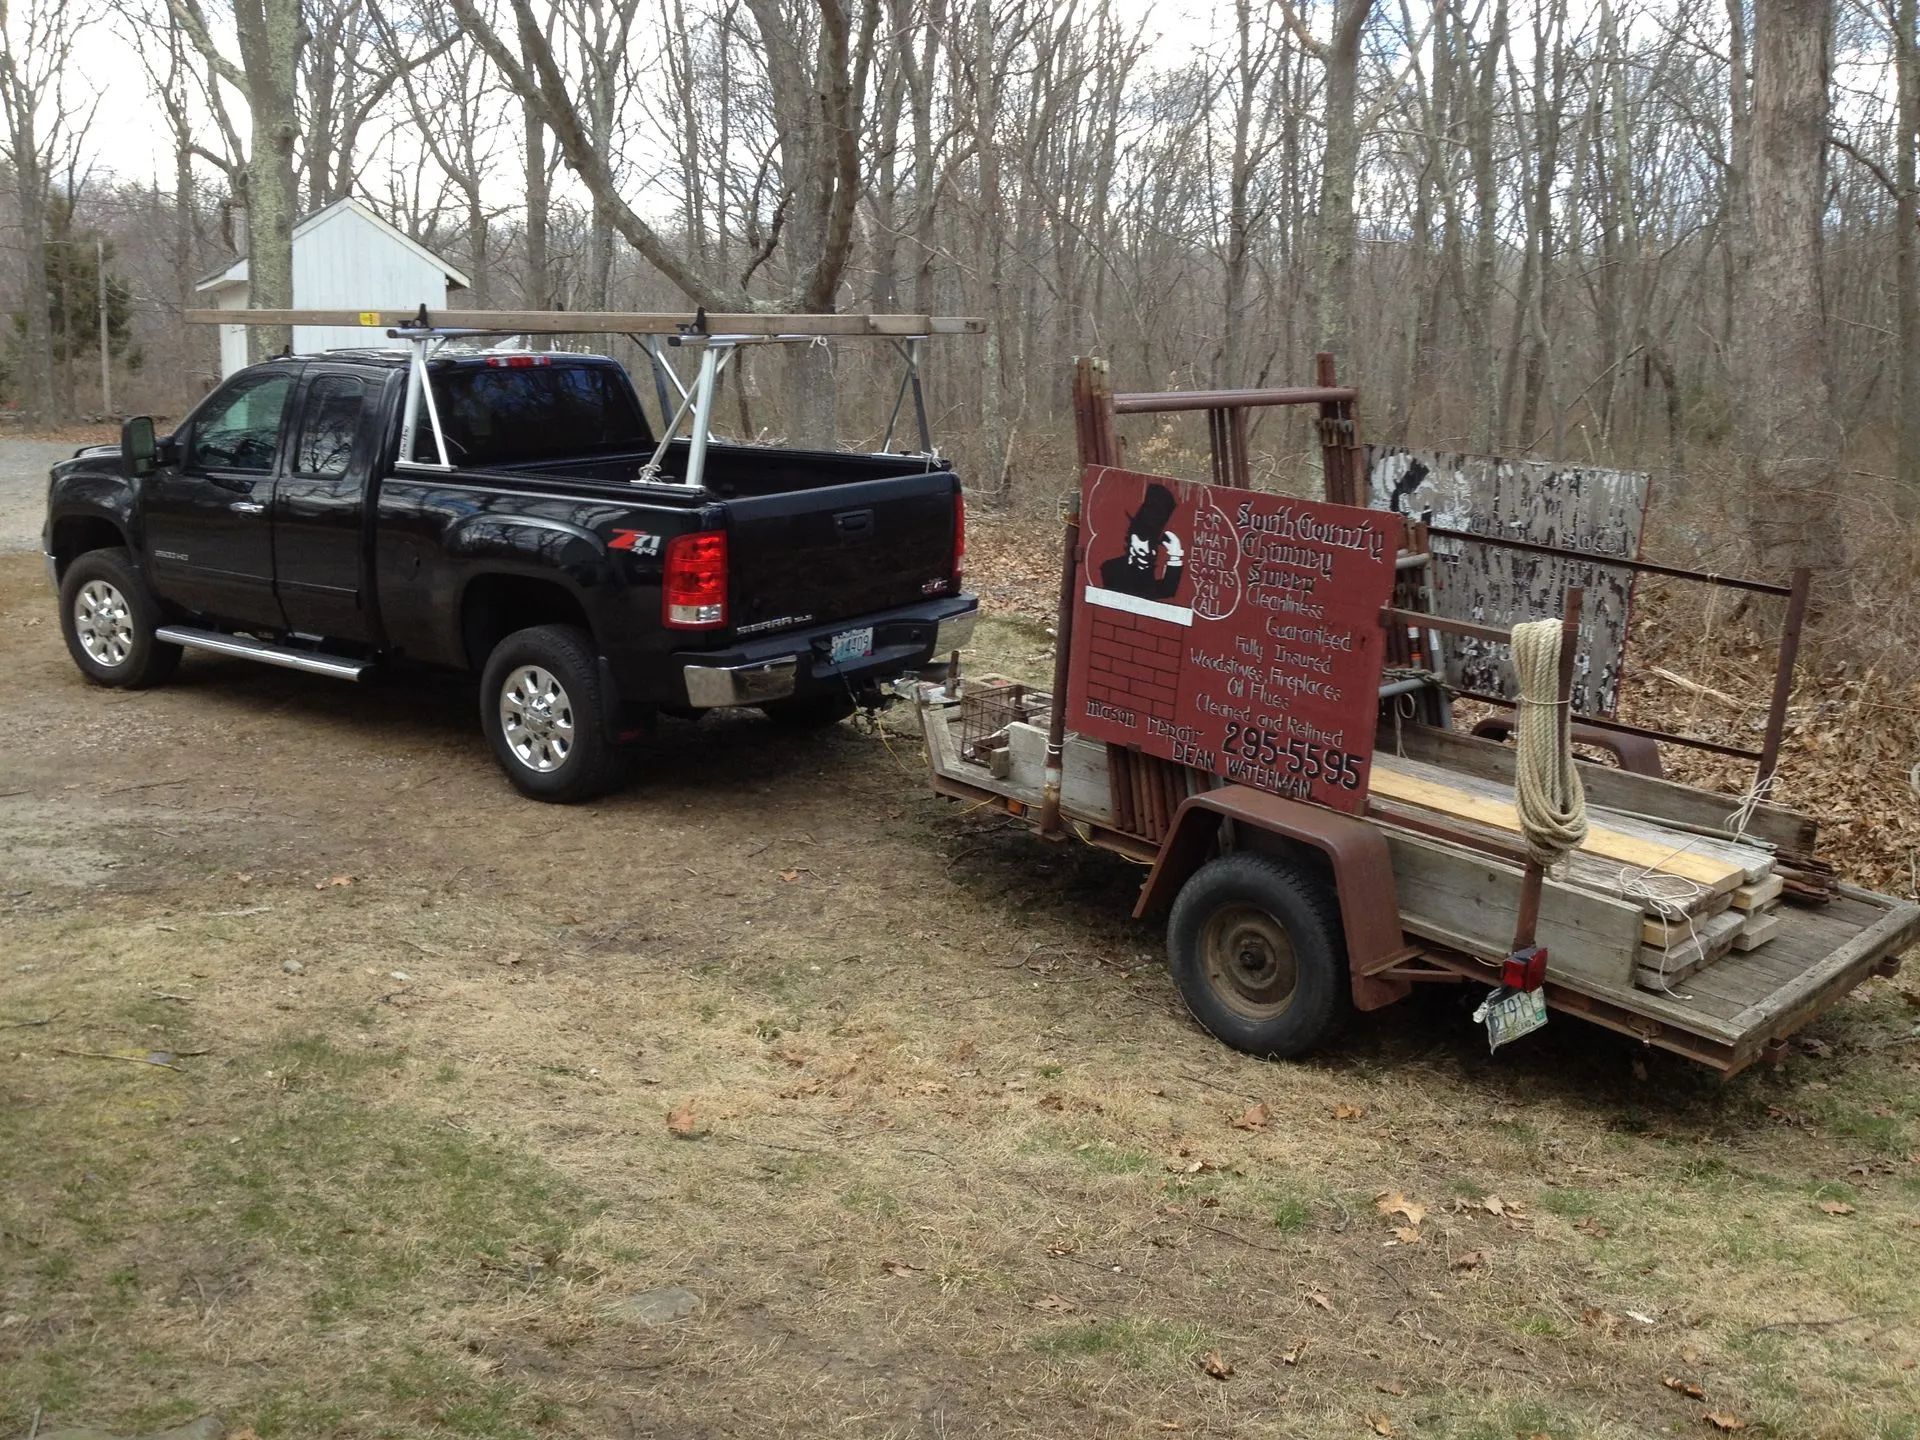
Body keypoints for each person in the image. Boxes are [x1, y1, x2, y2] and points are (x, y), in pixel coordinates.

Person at [1099, 482, 1186, 601]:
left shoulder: (1147, 573)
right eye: (1143, 537)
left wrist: (1175, 555)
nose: (1148, 550)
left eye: (1153, 543)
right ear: (1132, 537)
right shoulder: (1111, 568)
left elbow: (1166, 590)